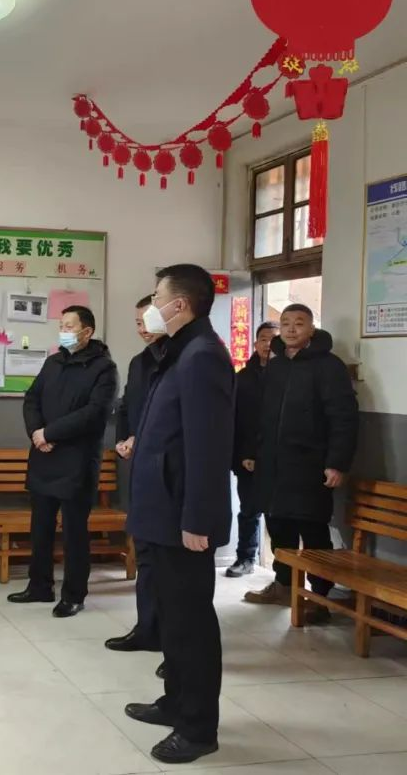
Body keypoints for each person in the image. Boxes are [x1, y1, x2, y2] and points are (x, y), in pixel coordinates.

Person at [123, 264, 234, 765]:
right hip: (161, 511)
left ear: (180, 304)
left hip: (182, 519)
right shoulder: (179, 350)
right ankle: (175, 702)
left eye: (156, 297)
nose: (151, 306)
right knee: (171, 617)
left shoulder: (203, 355)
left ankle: (197, 727)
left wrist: (198, 520)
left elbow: (209, 447)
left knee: (191, 624)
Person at [244, 305, 358, 616]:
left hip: (310, 466)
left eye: (299, 323)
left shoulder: (329, 366)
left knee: (313, 532)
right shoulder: (276, 366)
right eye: (285, 323)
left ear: (311, 329)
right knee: (279, 526)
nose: (291, 329)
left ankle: (319, 598)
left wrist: (337, 463)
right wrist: (252, 452)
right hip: (273, 465)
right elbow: (262, 416)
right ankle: (284, 586)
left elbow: (343, 418)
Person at [10, 305, 117, 617]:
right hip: (43, 456)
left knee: (74, 532)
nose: (63, 331)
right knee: (40, 528)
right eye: (61, 325)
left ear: (87, 331)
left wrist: (50, 433)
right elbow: (31, 399)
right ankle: (39, 586)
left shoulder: (104, 368)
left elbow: (94, 413)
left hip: (77, 461)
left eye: (69, 326)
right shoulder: (53, 362)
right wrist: (36, 433)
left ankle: (74, 594)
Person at [106, 295, 166, 654]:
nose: (142, 329)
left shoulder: (183, 360)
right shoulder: (140, 362)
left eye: (148, 321)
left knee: (168, 563)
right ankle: (146, 628)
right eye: (138, 323)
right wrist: (123, 441)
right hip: (140, 466)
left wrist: (140, 438)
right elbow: (128, 406)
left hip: (166, 470)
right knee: (144, 551)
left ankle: (172, 638)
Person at [225, 321, 278, 578]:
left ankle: (283, 570)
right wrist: (243, 454)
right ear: (255, 344)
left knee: (278, 515)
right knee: (249, 510)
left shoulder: (288, 375)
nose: (268, 344)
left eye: (273, 340)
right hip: (247, 458)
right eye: (263, 339)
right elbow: (237, 420)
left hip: (279, 459)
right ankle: (245, 557)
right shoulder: (243, 378)